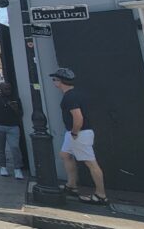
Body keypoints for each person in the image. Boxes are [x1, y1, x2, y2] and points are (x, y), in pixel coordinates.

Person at [52, 68, 107, 205]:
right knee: (65, 155)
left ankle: (101, 195)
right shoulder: (74, 94)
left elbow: (78, 117)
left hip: (79, 133)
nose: (54, 82)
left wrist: (75, 132)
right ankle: (71, 186)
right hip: (74, 133)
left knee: (91, 163)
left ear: (61, 81)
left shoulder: (70, 97)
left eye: (55, 79)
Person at [0, 82, 24, 179]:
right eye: (6, 89)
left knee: (15, 147)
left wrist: (15, 108)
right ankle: (3, 167)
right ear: (1, 89)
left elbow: (20, 113)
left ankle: (17, 168)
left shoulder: (15, 99)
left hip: (13, 126)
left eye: (9, 89)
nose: (8, 91)